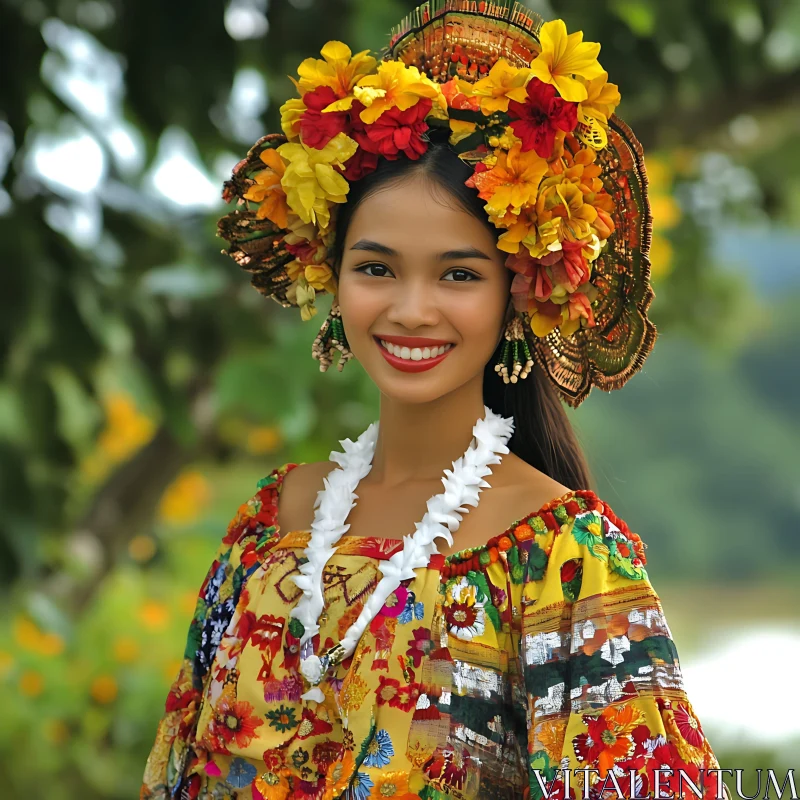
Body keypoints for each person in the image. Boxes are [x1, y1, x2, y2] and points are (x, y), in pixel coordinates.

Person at [141, 3, 729, 799]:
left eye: (458, 274)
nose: (411, 310)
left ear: (519, 293)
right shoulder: (272, 524)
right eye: (377, 268)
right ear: (331, 274)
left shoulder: (560, 561)